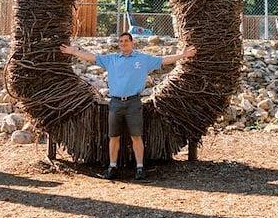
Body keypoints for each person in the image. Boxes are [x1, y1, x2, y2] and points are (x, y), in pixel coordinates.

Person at [60, 32, 196, 180]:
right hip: (116, 103)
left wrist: (182, 55)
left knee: (136, 136)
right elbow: (92, 57)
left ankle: (139, 168)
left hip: (133, 103)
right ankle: (112, 167)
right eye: (121, 41)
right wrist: (74, 51)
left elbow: (163, 60)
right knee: (114, 136)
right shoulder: (111, 59)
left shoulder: (143, 59)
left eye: (126, 41)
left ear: (132, 43)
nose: (123, 43)